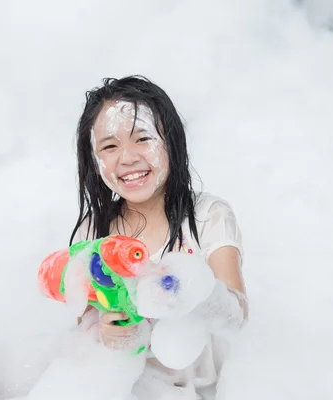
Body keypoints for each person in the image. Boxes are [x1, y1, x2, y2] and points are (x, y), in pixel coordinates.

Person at [70, 76, 248, 399]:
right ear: (94, 161)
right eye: (110, 146)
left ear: (172, 142)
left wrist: (192, 288)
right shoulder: (93, 232)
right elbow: (85, 324)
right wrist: (106, 333)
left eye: (142, 139)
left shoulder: (208, 217)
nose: (127, 158)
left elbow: (236, 316)